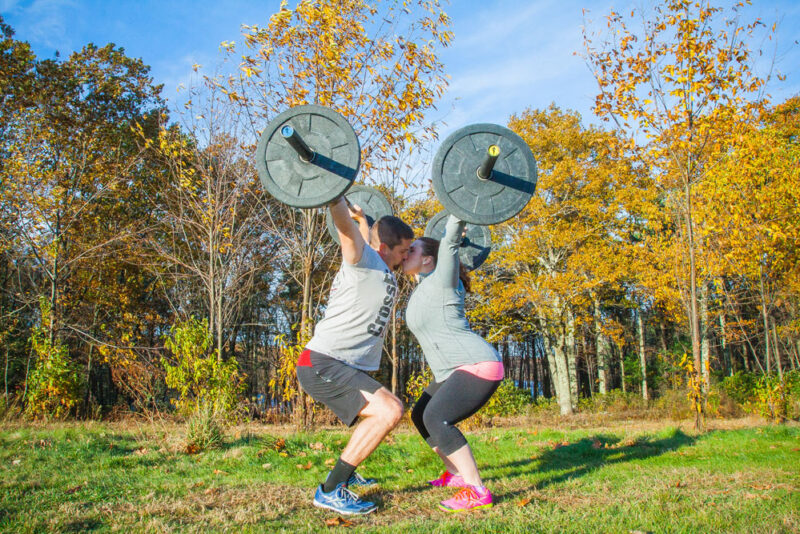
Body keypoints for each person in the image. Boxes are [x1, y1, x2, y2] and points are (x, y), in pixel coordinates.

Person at [297, 196, 414, 515]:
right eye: (404, 251)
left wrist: (363, 218)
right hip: (322, 362)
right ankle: (332, 489)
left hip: (340, 364)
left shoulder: (378, 262)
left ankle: (349, 473)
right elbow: (345, 229)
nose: (408, 257)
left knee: (384, 410)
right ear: (386, 248)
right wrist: (334, 195)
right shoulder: (363, 261)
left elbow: (360, 229)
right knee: (389, 410)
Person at [402, 214, 503, 512]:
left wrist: (458, 215)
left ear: (429, 261)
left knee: (436, 418)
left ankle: (477, 491)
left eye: (414, 251)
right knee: (421, 414)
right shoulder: (423, 286)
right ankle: (456, 475)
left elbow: (448, 243)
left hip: (476, 364)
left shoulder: (445, 280)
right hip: (452, 370)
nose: (407, 254)